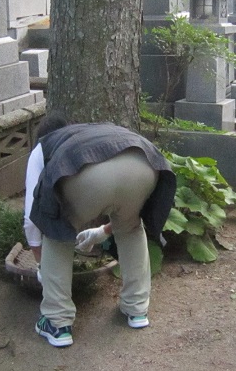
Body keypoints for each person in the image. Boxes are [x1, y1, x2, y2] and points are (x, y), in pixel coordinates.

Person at [23, 113, 177, 347]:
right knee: (132, 227)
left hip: (92, 176)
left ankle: (57, 323)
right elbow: (119, 192)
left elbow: (32, 219)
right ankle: (136, 310)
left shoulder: (42, 148)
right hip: (145, 162)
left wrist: (40, 262)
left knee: (56, 231)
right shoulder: (92, 130)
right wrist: (102, 232)